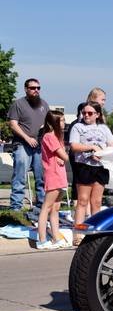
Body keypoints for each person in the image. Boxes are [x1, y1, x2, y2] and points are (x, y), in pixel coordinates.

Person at [69, 101, 113, 245]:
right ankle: (78, 233)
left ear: (97, 114)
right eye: (84, 113)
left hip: (100, 166)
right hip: (84, 165)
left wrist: (101, 153)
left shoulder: (103, 128)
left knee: (96, 201)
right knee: (82, 200)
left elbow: (111, 145)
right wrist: (91, 148)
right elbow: (74, 146)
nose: (86, 115)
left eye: (90, 113)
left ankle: (96, 232)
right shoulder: (78, 127)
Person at [8, 78, 48, 211]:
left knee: (41, 178)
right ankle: (16, 208)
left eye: (38, 88)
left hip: (40, 145)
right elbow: (13, 124)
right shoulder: (18, 104)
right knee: (20, 177)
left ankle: (41, 207)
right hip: (22, 145)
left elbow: (49, 124)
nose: (36, 90)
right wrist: (27, 138)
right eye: (32, 88)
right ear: (26, 89)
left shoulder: (44, 104)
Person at [36, 111, 70, 250]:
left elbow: (62, 157)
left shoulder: (58, 137)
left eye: (63, 120)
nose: (63, 123)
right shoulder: (49, 137)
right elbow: (65, 156)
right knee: (47, 207)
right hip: (53, 175)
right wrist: (63, 156)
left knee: (56, 208)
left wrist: (62, 157)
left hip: (60, 175)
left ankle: (56, 237)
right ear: (51, 123)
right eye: (60, 121)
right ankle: (42, 240)